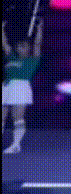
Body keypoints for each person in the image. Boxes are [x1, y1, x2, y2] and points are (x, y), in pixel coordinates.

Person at [2, 19, 43, 154]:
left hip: (21, 87)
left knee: (17, 117)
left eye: (23, 46)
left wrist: (39, 29)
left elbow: (37, 43)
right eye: (18, 46)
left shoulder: (32, 60)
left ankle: (16, 145)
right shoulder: (11, 57)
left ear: (28, 48)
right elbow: (4, 43)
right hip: (6, 87)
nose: (20, 48)